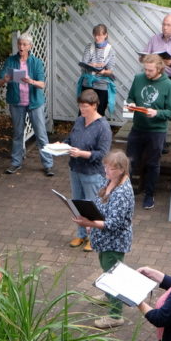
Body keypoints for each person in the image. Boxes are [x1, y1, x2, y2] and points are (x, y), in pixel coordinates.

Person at [73, 150, 133, 330]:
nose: (106, 170)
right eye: (105, 166)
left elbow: (113, 224)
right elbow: (101, 206)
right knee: (107, 269)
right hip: (104, 239)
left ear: (121, 170)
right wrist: (91, 222)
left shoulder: (122, 192)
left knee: (114, 275)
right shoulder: (111, 181)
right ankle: (109, 296)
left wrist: (89, 222)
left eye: (111, 168)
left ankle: (115, 315)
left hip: (114, 241)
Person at [124, 54, 171, 211]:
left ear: (159, 68)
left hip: (156, 131)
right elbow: (130, 97)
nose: (147, 73)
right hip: (138, 127)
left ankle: (149, 194)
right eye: (145, 69)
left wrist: (156, 113)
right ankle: (126, 193)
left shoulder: (168, 85)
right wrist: (131, 104)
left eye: (150, 70)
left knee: (153, 163)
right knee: (129, 161)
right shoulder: (138, 78)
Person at [0, 33, 54, 177]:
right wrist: (5, 79)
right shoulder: (10, 61)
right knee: (17, 134)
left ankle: (48, 165)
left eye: (24, 45)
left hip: (34, 102)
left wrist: (31, 81)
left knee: (41, 134)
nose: (21, 47)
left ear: (30, 46)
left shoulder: (36, 62)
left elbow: (42, 84)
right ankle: (16, 163)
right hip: (16, 103)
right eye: (20, 44)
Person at [65, 89, 112, 251]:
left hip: (92, 173)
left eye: (85, 106)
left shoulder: (103, 127)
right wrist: (62, 146)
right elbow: (70, 140)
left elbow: (103, 154)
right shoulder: (79, 121)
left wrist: (81, 153)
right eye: (80, 106)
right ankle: (81, 234)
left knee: (92, 206)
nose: (82, 109)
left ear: (95, 106)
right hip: (75, 169)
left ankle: (94, 237)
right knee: (77, 203)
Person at [142, 14, 171, 94]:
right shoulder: (154, 39)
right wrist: (143, 58)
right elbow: (146, 56)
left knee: (169, 105)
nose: (165, 27)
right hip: (154, 78)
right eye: (163, 24)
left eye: (168, 25)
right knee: (153, 104)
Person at [77, 24, 117, 116]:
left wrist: (104, 72)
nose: (96, 37)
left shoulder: (110, 50)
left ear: (105, 35)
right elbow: (84, 64)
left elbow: (110, 70)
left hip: (102, 85)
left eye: (99, 35)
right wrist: (98, 65)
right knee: (83, 112)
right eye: (95, 35)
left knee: (99, 113)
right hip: (87, 85)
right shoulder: (89, 47)